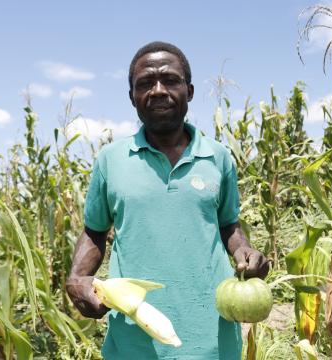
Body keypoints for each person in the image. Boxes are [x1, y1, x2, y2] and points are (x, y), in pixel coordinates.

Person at [66, 41, 269, 360]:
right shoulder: (110, 159)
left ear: (188, 91)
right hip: (135, 333)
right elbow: (95, 231)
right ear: (132, 96)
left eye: (170, 80)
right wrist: (77, 277)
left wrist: (244, 250)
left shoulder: (218, 157)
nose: (158, 90)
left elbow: (228, 224)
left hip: (212, 333)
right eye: (145, 83)